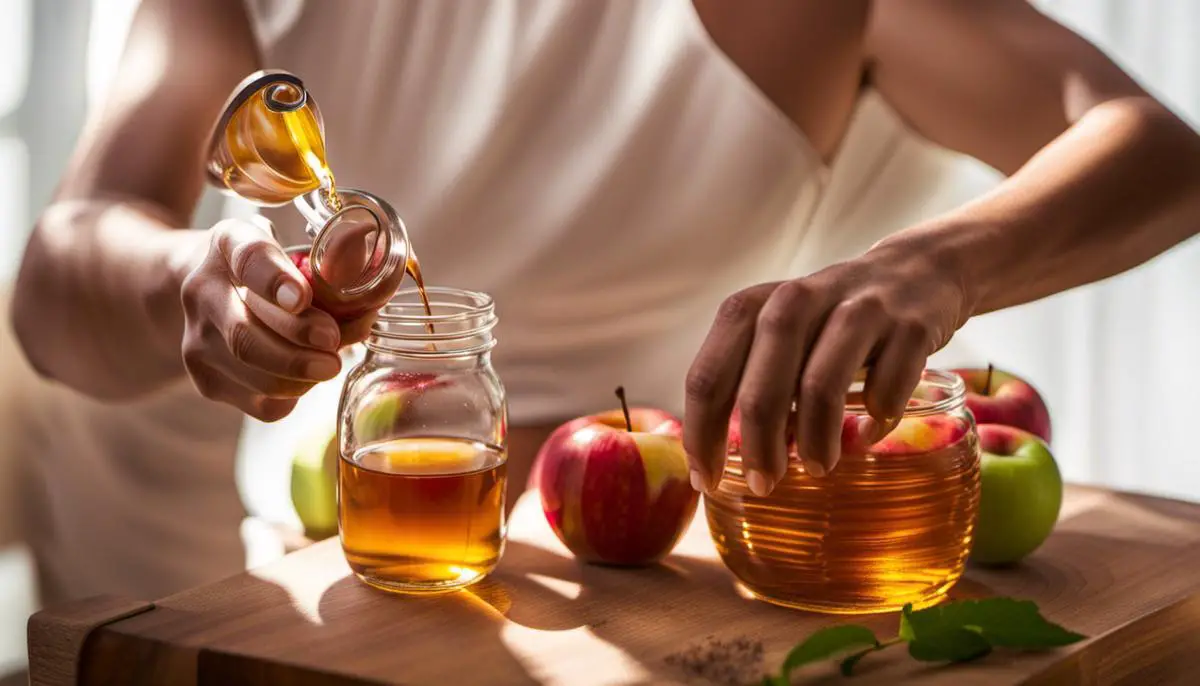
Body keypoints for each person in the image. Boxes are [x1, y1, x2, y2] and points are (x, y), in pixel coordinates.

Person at [10, 0, 1200, 602]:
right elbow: (57, 277)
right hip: (274, 561)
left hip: (646, 572)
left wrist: (936, 264)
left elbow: (1153, 147)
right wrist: (186, 280)